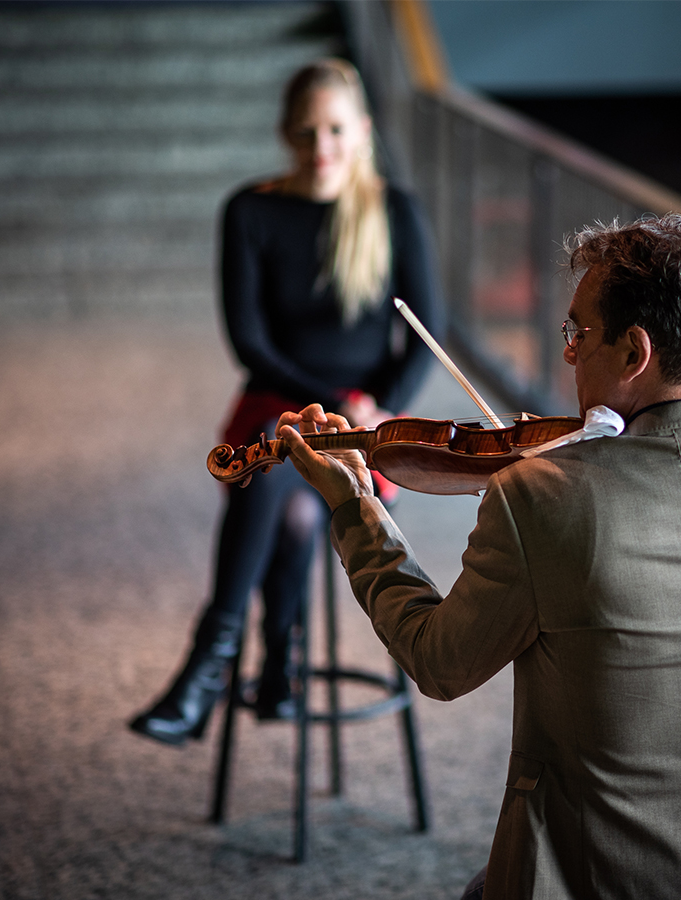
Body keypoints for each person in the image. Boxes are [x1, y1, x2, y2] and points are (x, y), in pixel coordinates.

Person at [278, 213, 681, 899]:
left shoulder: (540, 499)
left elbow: (438, 663)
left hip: (600, 872)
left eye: (579, 334)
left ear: (635, 353)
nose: (569, 354)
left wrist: (355, 505)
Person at [129, 58, 442, 744]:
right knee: (284, 457)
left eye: (335, 129)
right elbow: (250, 343)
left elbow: (426, 335)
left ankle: (215, 668)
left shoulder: (394, 210)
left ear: (362, 131)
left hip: (367, 427)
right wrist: (332, 401)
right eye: (305, 131)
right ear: (284, 134)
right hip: (277, 401)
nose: (320, 146)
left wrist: (378, 406)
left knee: (289, 481)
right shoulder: (250, 211)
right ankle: (270, 665)